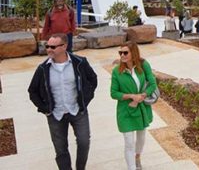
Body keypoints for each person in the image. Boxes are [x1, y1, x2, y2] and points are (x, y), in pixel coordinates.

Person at [28, 33, 98, 170]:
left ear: (64, 46)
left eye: (53, 47)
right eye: (47, 46)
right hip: (56, 115)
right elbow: (32, 91)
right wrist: (45, 109)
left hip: (78, 111)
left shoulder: (80, 62)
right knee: (61, 150)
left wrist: (85, 99)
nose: (49, 49)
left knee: (84, 142)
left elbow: (92, 80)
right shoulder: (42, 69)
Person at [111, 41, 157, 170]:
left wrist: (141, 97)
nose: (122, 55)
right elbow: (113, 93)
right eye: (120, 53)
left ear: (133, 53)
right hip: (125, 110)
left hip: (141, 108)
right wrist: (131, 96)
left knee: (141, 137)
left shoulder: (143, 65)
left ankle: (137, 157)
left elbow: (152, 84)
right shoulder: (117, 71)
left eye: (125, 52)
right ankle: (131, 167)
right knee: (129, 143)